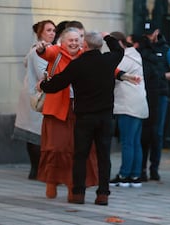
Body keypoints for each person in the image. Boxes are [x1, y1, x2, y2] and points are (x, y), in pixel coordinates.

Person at [38, 31, 140, 206]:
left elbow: (57, 84)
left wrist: (43, 85)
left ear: (84, 46)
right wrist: (108, 36)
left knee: (80, 155)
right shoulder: (109, 60)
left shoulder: (77, 65)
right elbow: (118, 49)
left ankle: (78, 193)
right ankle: (103, 194)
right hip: (105, 117)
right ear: (100, 45)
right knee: (103, 156)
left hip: (84, 117)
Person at [35, 27, 98, 201]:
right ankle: (52, 181)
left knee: (78, 150)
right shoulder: (56, 52)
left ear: (82, 42)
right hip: (57, 110)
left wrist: (123, 75)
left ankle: (74, 187)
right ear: (62, 42)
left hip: (80, 110)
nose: (74, 43)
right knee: (55, 148)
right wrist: (41, 49)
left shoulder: (85, 55)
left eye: (77, 40)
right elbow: (45, 52)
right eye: (70, 40)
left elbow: (102, 66)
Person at [139, 20, 170, 181]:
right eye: (146, 34)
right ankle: (141, 168)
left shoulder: (166, 50)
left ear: (156, 32)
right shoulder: (141, 49)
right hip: (144, 93)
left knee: (157, 132)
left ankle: (154, 168)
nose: (148, 37)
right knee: (144, 132)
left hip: (160, 94)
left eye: (150, 34)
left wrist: (161, 76)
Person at [13, 20, 56, 180]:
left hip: (38, 95)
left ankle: (38, 170)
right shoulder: (38, 51)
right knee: (35, 133)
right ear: (40, 33)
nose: (52, 33)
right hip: (36, 97)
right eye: (49, 30)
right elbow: (44, 74)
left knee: (37, 132)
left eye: (54, 30)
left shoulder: (48, 49)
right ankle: (36, 170)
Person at [109, 31, 149, 188]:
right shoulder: (135, 54)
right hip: (138, 103)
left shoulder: (124, 57)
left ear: (118, 43)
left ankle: (124, 175)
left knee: (127, 142)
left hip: (128, 104)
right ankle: (135, 175)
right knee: (135, 142)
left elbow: (111, 72)